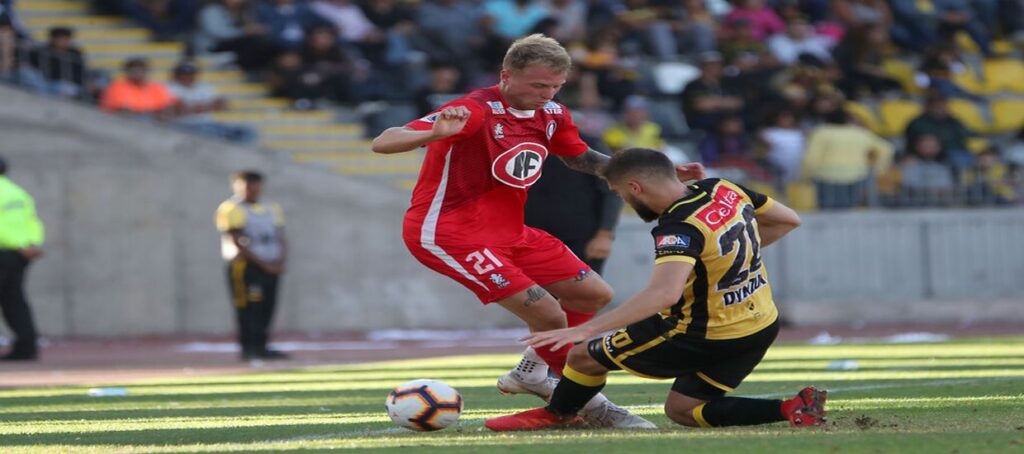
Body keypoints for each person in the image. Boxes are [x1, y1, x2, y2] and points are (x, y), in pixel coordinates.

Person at [371, 34, 705, 428]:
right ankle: (590, 405)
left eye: (555, 86)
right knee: (547, 313)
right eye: (538, 85)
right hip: (449, 233)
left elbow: (580, 158)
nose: (547, 94)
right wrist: (431, 135)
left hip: (510, 231)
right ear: (506, 76)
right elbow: (384, 141)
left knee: (593, 293)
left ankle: (531, 372)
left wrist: (650, 174)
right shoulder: (474, 111)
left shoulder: (552, 114)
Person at [485, 147, 826, 431]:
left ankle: (558, 415)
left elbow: (664, 294)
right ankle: (792, 408)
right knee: (683, 410)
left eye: (619, 192)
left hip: (703, 331)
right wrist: (719, 262)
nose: (622, 199)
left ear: (635, 187)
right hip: (760, 325)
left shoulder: (678, 226)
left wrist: (585, 329)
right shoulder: (723, 188)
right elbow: (788, 219)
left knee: (582, 356)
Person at [214, 171, 289, 361]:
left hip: (271, 265)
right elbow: (237, 241)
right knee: (248, 307)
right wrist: (264, 264)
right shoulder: (231, 208)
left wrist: (280, 261)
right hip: (246, 267)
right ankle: (249, 347)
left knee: (267, 306)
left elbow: (280, 237)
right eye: (246, 184)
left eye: (255, 184)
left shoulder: (271, 207)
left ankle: (262, 345)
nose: (251, 188)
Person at [0, 156, 44, 361]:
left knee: (13, 298)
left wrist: (17, 245)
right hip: (21, 254)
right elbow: (33, 222)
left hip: (5, 249)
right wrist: (32, 244)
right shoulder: (18, 193)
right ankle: (27, 346)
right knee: (14, 299)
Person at [166, 61, 255, 143]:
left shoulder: (204, 87)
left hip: (207, 123)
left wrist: (197, 107)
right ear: (177, 75)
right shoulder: (170, 88)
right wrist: (209, 106)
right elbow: (179, 110)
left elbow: (224, 104)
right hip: (184, 126)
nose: (187, 76)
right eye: (184, 74)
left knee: (246, 131)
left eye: (190, 73)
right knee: (212, 134)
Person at [99, 57, 176, 119]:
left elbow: (167, 107)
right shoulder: (117, 86)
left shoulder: (157, 87)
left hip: (154, 120)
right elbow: (118, 109)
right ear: (127, 71)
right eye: (134, 69)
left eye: (141, 69)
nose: (137, 72)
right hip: (125, 122)